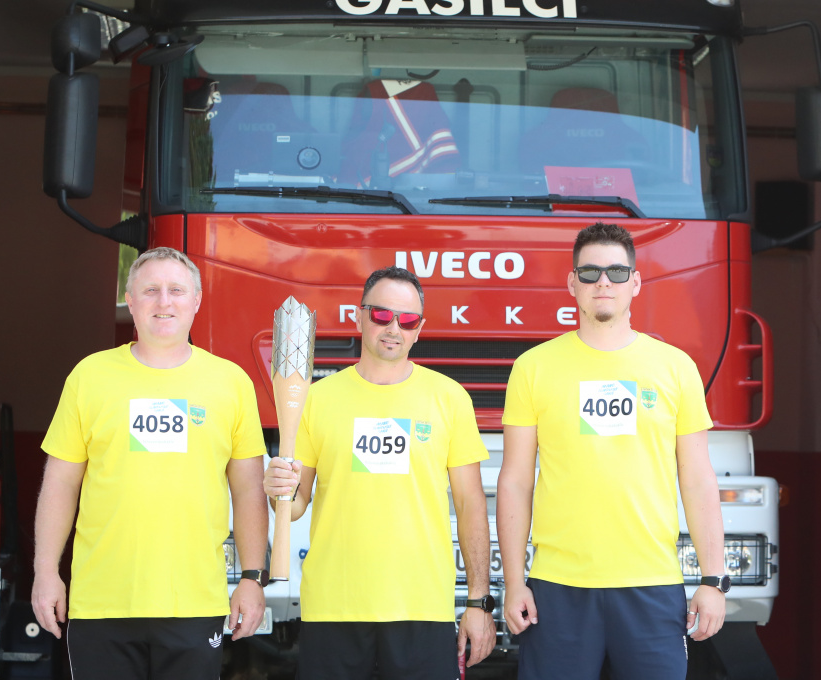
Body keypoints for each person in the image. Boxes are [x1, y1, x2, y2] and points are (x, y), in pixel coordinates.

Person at [497, 222, 728, 680]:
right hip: (557, 588)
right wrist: (515, 581)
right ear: (572, 283)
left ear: (635, 283)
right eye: (590, 272)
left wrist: (713, 579)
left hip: (651, 585)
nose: (603, 282)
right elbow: (516, 481)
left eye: (617, 272)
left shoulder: (676, 368)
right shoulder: (532, 368)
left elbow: (698, 478)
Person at [31, 247, 270, 680]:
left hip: (194, 602)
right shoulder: (89, 376)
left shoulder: (231, 382)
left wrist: (252, 578)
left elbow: (248, 488)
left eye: (176, 290)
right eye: (150, 290)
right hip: (102, 602)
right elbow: (61, 482)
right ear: (130, 300)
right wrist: (45, 571)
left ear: (196, 300)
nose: (164, 301)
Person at [264, 267, 495, 679]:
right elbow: (296, 504)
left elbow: (471, 504)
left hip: (421, 606)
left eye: (407, 320)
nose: (393, 328)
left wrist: (478, 602)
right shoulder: (317, 399)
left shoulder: (449, 398)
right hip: (334, 606)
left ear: (419, 329)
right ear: (359, 316)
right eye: (382, 315)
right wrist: (278, 489)